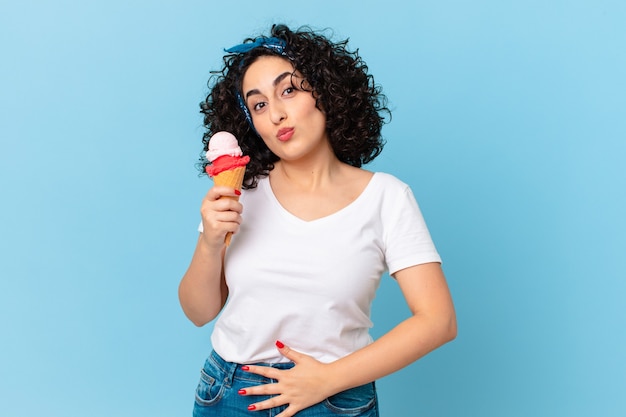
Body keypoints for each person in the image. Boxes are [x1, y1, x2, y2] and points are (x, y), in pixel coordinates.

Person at [179, 24, 457, 417]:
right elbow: (198, 312)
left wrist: (328, 379)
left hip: (336, 396)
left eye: (288, 90)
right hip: (229, 394)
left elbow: (438, 320)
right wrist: (210, 241)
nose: (276, 113)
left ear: (325, 91)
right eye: (258, 105)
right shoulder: (241, 193)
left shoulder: (387, 198)